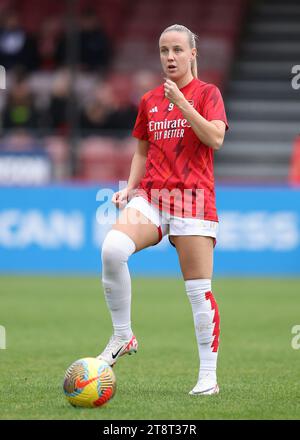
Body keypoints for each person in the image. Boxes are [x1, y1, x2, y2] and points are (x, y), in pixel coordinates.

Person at [97, 24, 228, 396]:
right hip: (154, 197)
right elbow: (142, 149)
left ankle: (207, 378)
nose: (170, 57)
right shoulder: (150, 100)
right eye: (164, 51)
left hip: (193, 198)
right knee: (112, 250)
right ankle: (123, 335)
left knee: (199, 290)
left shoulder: (207, 94)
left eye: (176, 50)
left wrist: (184, 104)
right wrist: (131, 186)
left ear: (192, 54)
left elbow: (215, 138)